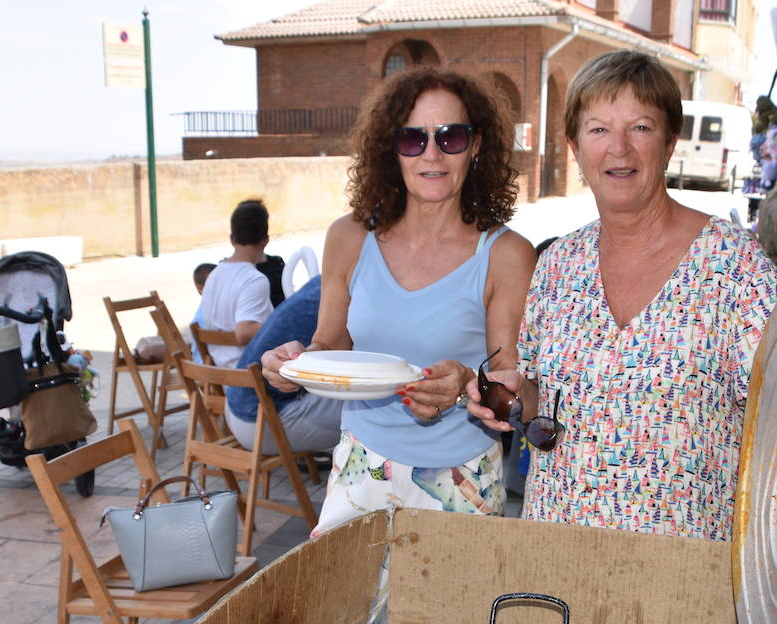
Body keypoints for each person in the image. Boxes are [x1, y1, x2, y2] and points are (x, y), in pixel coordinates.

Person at [468, 49, 777, 541]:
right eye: (598, 129)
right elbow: (537, 404)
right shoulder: (557, 266)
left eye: (640, 127)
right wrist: (506, 395)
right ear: (574, 147)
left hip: (682, 563)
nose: (618, 148)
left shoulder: (733, 265)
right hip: (561, 550)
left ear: (670, 140)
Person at [261, 66, 536, 536]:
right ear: (392, 148)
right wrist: (292, 364)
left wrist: (469, 382)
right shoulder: (348, 237)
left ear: (477, 146)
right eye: (413, 138)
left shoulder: (507, 254)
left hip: (463, 478)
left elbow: (511, 389)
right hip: (361, 466)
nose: (432, 153)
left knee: (454, 613)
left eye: (450, 137)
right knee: (346, 609)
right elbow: (329, 342)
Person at [225, 275, 342, 455]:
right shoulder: (344, 288)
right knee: (380, 400)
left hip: (234, 405)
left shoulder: (321, 281)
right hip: (261, 421)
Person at [193, 199, 275, 368]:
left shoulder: (214, 275)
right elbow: (244, 332)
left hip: (218, 372)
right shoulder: (255, 279)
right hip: (249, 375)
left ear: (232, 239)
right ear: (265, 240)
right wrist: (280, 321)